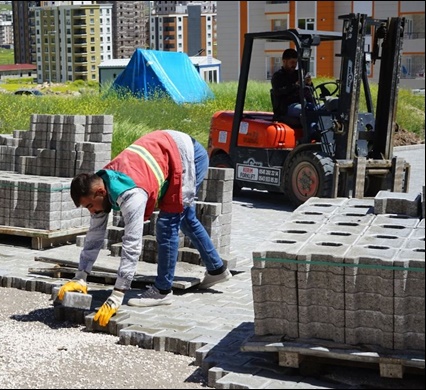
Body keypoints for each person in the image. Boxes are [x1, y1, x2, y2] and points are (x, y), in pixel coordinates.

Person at [57, 130, 231, 326]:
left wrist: (118, 293)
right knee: (186, 217)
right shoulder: (102, 183)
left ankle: (163, 291)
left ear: (100, 192)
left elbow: (131, 244)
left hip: (188, 156)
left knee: (168, 223)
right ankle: (217, 269)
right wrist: (81, 277)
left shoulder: (132, 195)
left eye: (90, 206)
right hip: (170, 148)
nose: (91, 211)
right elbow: (95, 236)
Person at [271, 48, 315, 118]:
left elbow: (310, 91)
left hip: (301, 103)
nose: (294, 65)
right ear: (284, 61)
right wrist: (295, 85)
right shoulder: (278, 76)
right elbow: (278, 91)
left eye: (295, 62)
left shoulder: (298, 74)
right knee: (306, 110)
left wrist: (309, 84)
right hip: (286, 107)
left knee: (322, 108)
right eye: (292, 62)